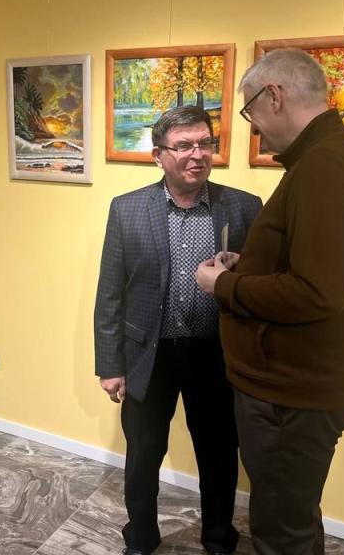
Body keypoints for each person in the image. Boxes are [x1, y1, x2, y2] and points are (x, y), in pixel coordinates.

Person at [195, 48, 344, 555]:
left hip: (291, 394)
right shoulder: (330, 157)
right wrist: (250, 265)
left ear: (274, 96)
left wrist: (223, 286)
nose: (255, 129)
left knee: (282, 532)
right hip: (299, 388)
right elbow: (315, 266)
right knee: (291, 513)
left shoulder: (324, 166)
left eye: (250, 112)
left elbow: (317, 291)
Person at [94, 105, 262, 555]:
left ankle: (219, 537)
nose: (197, 154)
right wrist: (110, 366)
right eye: (184, 145)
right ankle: (141, 537)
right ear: (159, 155)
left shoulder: (244, 207)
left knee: (219, 453)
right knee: (143, 454)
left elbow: (258, 286)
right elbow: (110, 293)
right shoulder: (127, 209)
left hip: (217, 355)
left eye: (205, 143)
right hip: (150, 355)